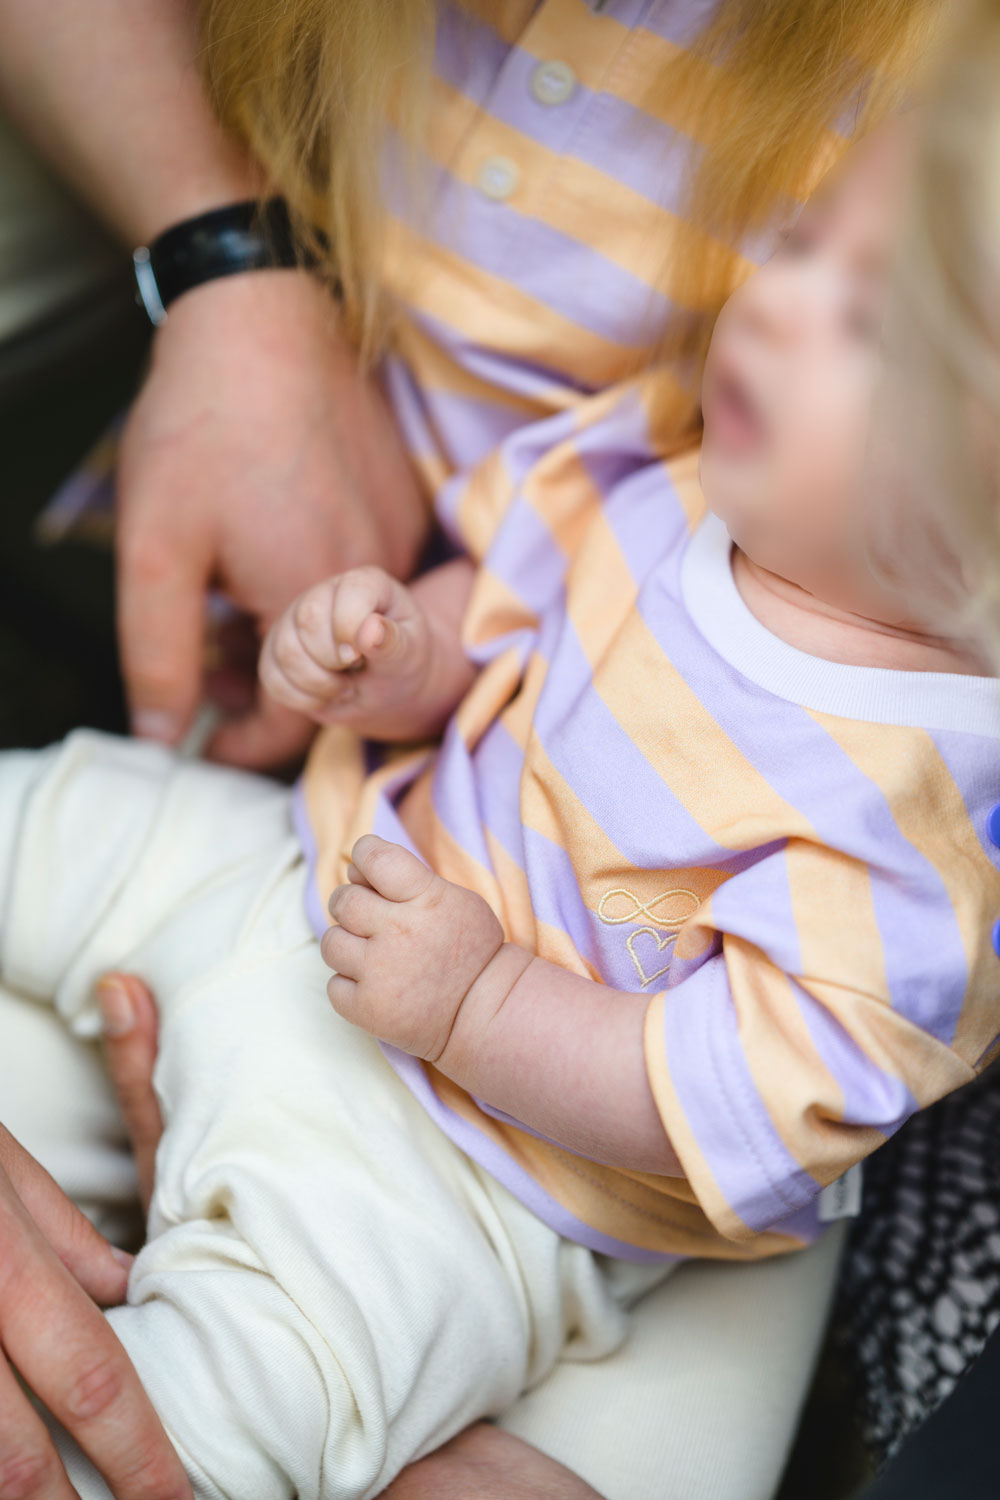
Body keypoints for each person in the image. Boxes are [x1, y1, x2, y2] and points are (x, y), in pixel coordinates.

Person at [0, 2, 946, 1496]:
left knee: (206, 1404)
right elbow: (498, 610)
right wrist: (394, 652)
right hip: (289, 867)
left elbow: (739, 1106)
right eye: (804, 239)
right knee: (50, 817)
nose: (772, 298)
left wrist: (486, 1002)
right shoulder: (667, 470)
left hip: (449, 1170)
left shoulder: (912, 835)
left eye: (866, 322)